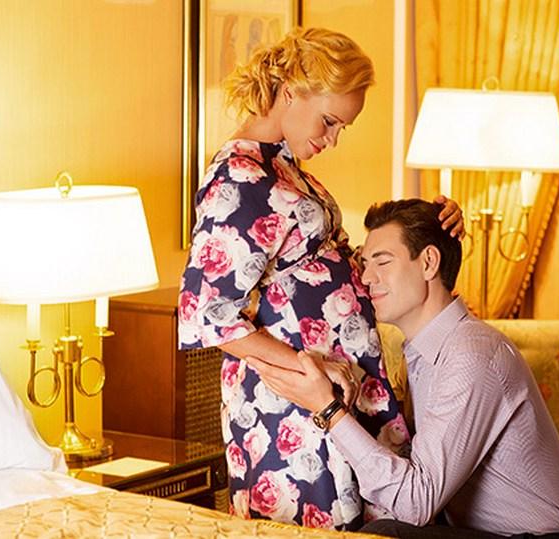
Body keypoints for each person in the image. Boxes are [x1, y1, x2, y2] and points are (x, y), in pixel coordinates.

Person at [177, 28, 464, 531]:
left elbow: (335, 270)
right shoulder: (238, 178)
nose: (331, 140)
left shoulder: (285, 168)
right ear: (291, 91)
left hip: (333, 396)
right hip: (296, 409)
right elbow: (206, 314)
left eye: (341, 128)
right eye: (329, 121)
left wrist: (433, 228)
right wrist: (311, 372)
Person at [247, 199, 559, 539]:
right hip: (481, 532)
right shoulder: (423, 351)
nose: (366, 278)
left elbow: (416, 502)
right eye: (364, 264)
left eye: (382, 262)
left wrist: (329, 409)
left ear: (428, 262)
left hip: (545, 538)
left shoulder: (472, 354)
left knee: (385, 534)